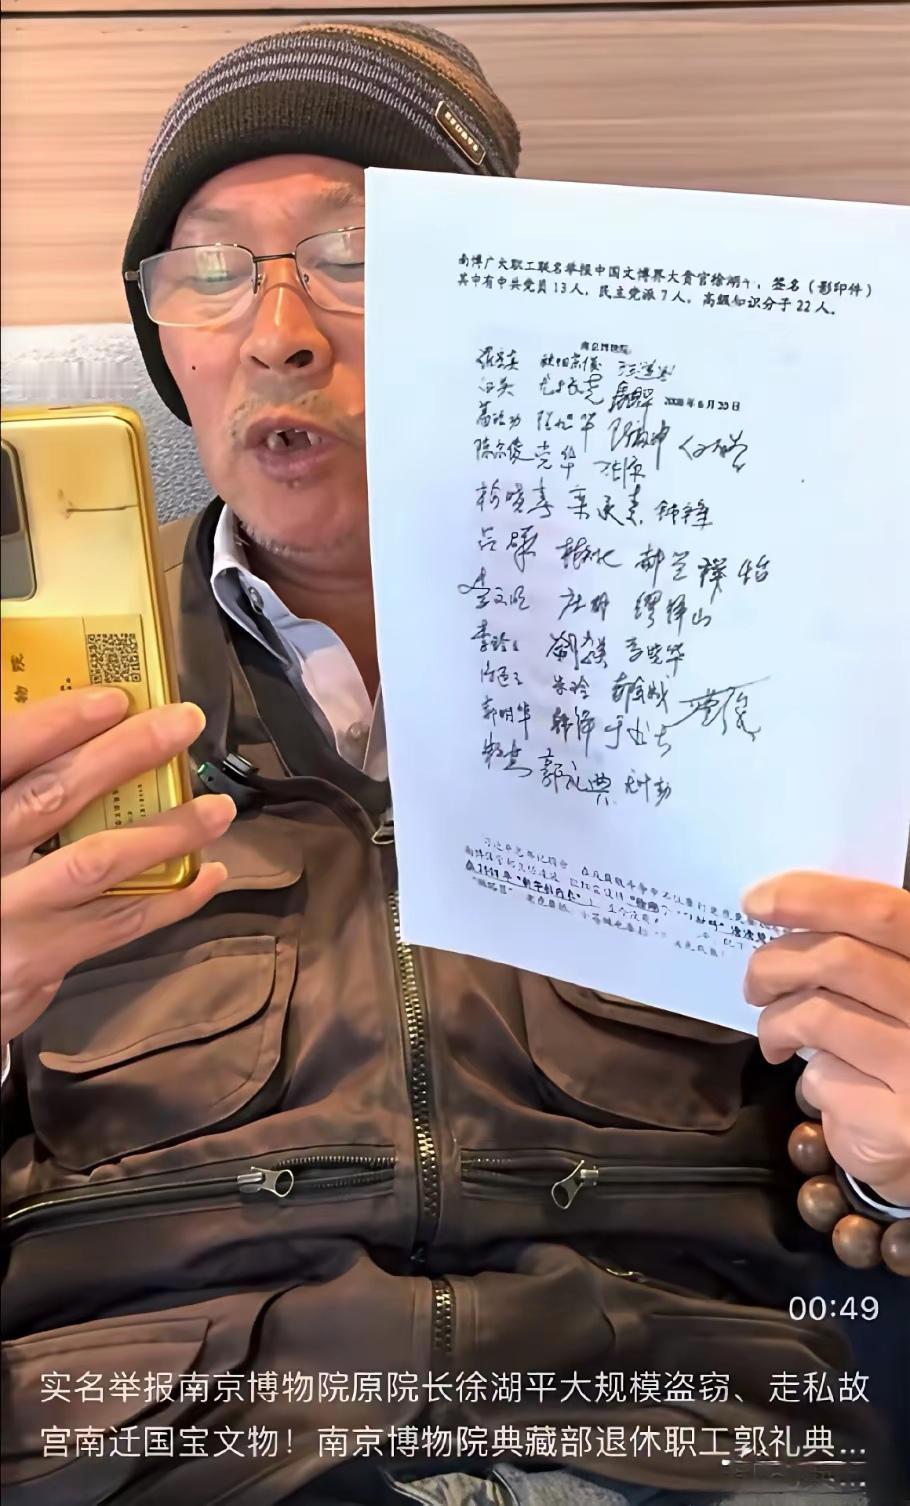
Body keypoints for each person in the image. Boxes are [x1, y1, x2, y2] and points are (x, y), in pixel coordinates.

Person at [1, 22, 908, 1506]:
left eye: (356, 254)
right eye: (209, 269)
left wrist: (892, 1170)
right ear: (163, 335)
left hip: (679, 1442)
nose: (278, 332)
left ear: (507, 307)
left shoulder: (754, 637)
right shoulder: (27, 700)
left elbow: (866, 1183)